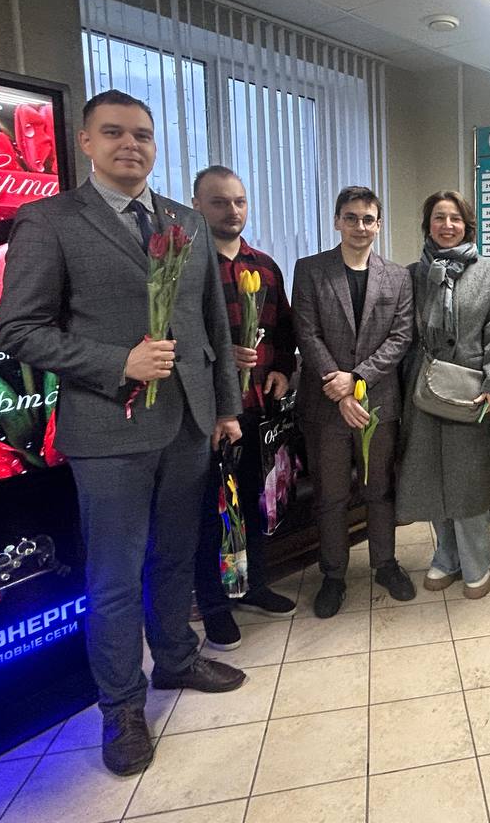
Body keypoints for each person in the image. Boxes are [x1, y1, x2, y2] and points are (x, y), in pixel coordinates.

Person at [0, 90, 245, 777]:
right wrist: (117, 363)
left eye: (142, 134)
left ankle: (176, 659)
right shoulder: (50, 221)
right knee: (113, 577)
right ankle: (122, 706)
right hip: (109, 430)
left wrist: (226, 408)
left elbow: (212, 323)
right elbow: (18, 329)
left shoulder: (184, 221)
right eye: (113, 132)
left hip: (188, 423)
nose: (130, 144)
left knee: (174, 557)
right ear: (85, 141)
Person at [292, 186, 416, 617]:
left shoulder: (397, 277)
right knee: (330, 495)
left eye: (368, 219)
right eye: (351, 217)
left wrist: (357, 380)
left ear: (378, 225)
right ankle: (333, 575)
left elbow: (400, 336)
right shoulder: (310, 270)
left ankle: (386, 564)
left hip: (378, 401)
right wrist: (338, 385)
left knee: (379, 490)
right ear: (337, 221)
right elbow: (306, 332)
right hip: (325, 403)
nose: (359, 226)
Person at [189, 165, 298, 650]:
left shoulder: (265, 267)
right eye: (219, 202)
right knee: (211, 513)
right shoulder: (189, 267)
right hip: (208, 415)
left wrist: (282, 369)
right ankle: (214, 606)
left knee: (254, 503)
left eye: (239, 201)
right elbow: (175, 340)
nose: (232, 211)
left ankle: (254, 586)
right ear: (197, 206)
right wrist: (218, 354)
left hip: (256, 409)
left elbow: (285, 332)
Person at [395, 190, 490, 599]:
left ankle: (476, 562)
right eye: (439, 218)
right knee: (430, 477)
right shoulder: (411, 274)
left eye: (456, 218)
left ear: (467, 225)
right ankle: (446, 556)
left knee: (468, 480)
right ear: (428, 225)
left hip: (471, 392)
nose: (448, 225)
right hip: (422, 389)